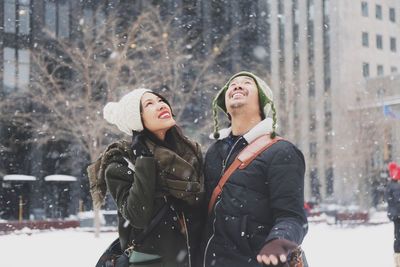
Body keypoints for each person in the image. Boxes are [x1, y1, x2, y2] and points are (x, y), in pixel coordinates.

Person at [201, 71, 308, 267]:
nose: (237, 86)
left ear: (262, 102)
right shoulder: (213, 152)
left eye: (247, 83)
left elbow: (292, 216)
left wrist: (279, 240)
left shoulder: (281, 151)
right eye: (232, 84)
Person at [88, 88, 204, 267]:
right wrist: (144, 161)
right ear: (136, 119)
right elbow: (137, 215)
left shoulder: (190, 153)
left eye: (160, 100)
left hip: (193, 258)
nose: (160, 105)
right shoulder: (121, 161)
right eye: (149, 104)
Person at [386, 161, 400, 267]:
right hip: (397, 214)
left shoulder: (390, 185)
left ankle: (397, 259)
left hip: (395, 214)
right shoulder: (395, 187)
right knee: (398, 237)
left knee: (397, 236)